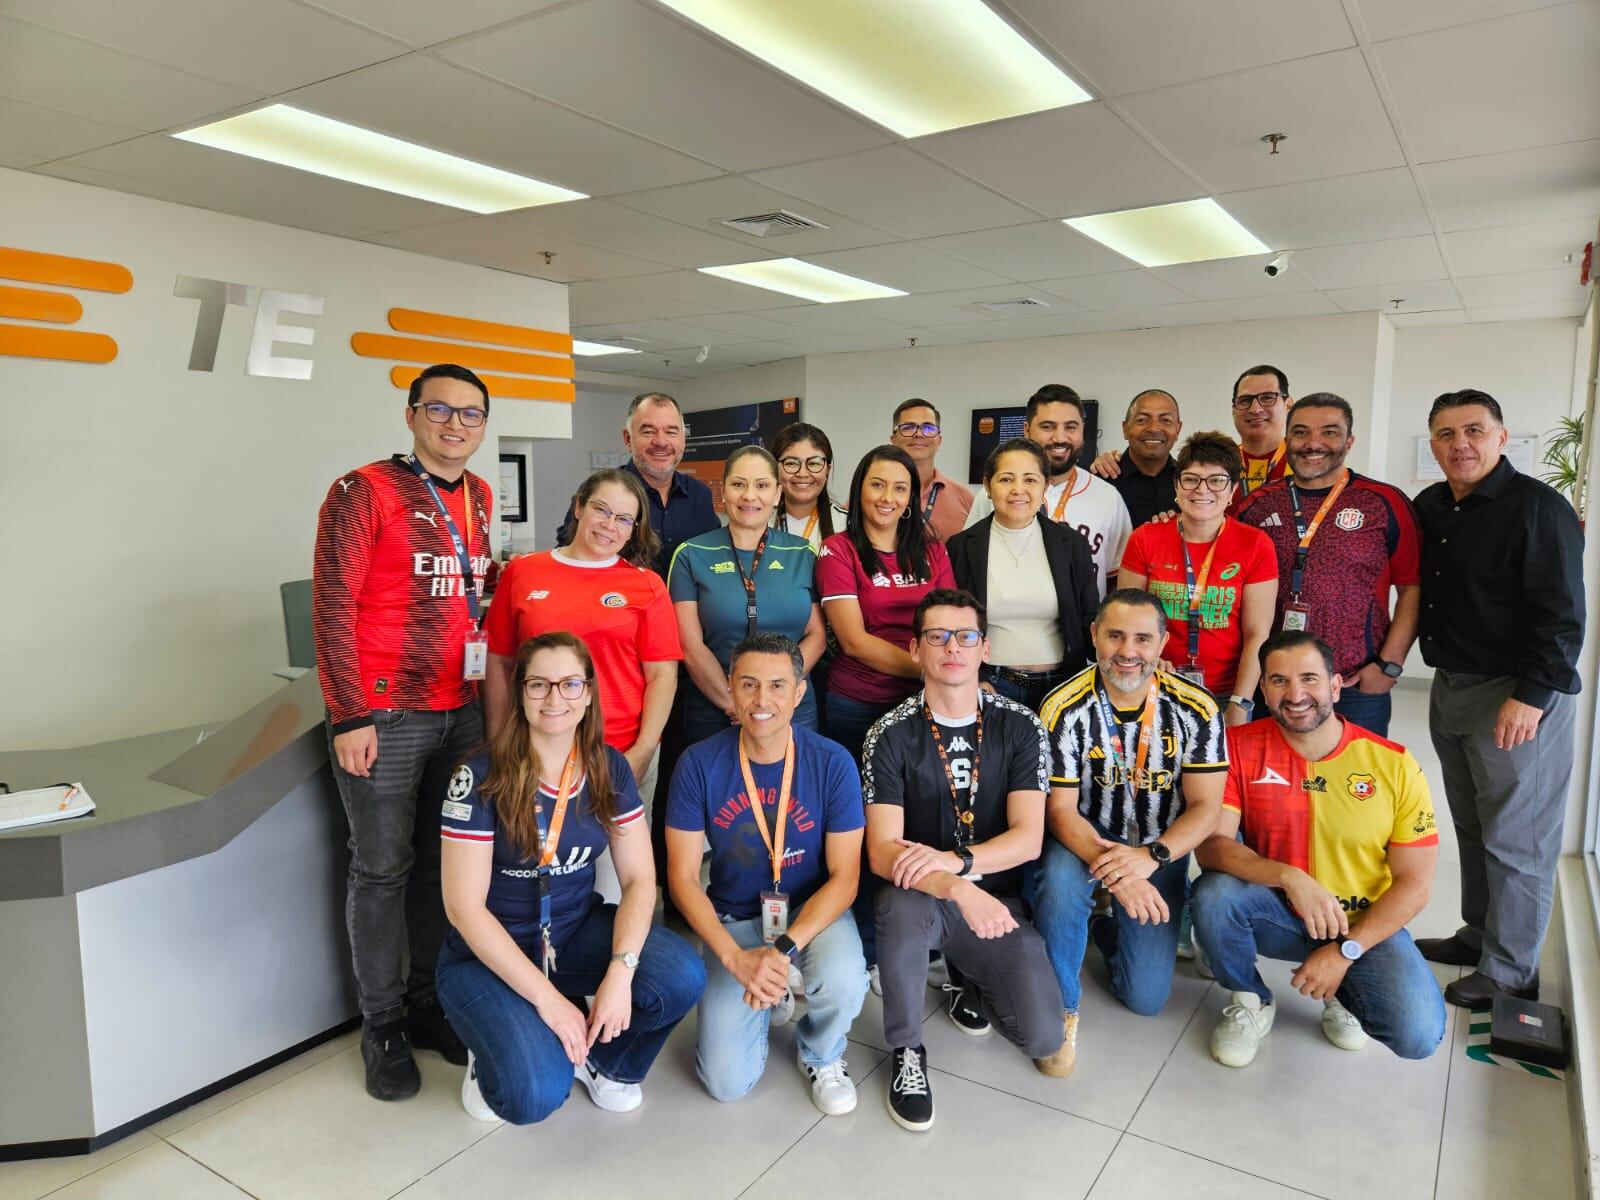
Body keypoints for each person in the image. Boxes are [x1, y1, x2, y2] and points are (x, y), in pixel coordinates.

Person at [313, 362, 493, 1099]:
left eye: (471, 414)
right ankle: (381, 1023)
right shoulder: (363, 490)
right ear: (413, 415)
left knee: (435, 866)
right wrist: (350, 715)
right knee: (381, 868)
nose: (456, 425)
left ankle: (424, 1003)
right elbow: (333, 604)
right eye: (441, 411)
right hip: (386, 715)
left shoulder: (479, 495)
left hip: (463, 708)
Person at [438, 633, 704, 1122]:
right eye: (538, 685)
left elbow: (642, 880)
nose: (554, 698)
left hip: (573, 932)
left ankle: (606, 1064)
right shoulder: (478, 776)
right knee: (533, 1097)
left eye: (569, 684)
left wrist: (621, 972)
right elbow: (464, 909)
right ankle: (489, 1055)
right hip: (487, 956)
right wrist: (552, 1004)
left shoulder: (609, 768)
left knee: (680, 976)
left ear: (588, 693)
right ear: (520, 692)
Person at [1192, 631, 1446, 1066]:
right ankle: (1252, 998)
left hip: (1360, 922)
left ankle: (1345, 992)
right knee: (1213, 895)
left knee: (1417, 1034)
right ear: (1264, 689)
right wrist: (1290, 878)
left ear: (1335, 685)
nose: (1295, 694)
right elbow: (1212, 847)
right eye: (1278, 681)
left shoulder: (1393, 763)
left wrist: (1349, 950)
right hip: (1278, 911)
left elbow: (1416, 884)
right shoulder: (1237, 747)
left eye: (1309, 679)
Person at [864, 589, 1065, 1131]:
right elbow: (884, 852)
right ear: (915, 650)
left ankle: (964, 978)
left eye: (965, 636)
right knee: (899, 907)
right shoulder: (889, 734)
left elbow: (1027, 838)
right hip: (922, 896)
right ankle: (907, 1051)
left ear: (985, 647)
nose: (952, 647)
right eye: (937, 636)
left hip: (993, 903)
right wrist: (956, 886)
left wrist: (959, 867)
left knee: (1043, 1038)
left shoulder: (1021, 726)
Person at [1412, 389, 1586, 1008]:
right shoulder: (1430, 506)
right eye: (1446, 434)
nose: (1461, 444)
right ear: (1432, 444)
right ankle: (1479, 935)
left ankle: (1512, 971)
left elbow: (1563, 617)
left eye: (1474, 430)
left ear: (1502, 437)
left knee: (1520, 837)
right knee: (1472, 825)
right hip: (1452, 684)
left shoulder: (1540, 510)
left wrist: (1530, 698)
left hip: (1515, 695)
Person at [666, 633, 868, 1115]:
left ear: (799, 693)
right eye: (749, 684)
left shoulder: (832, 762)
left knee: (844, 979)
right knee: (725, 1083)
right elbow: (682, 878)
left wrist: (780, 953)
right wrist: (736, 960)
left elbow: (845, 878)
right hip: (734, 917)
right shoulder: (698, 764)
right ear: (730, 689)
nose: (762, 701)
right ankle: (769, 991)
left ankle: (822, 1052)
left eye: (778, 686)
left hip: (809, 913)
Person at [1032, 590, 1226, 1070]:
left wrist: (1151, 858)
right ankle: (1061, 1010)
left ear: (1162, 643)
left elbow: (1206, 807)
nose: (1128, 650)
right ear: (1095, 636)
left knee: (1146, 998)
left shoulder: (1197, 709)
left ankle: (1104, 926)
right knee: (1058, 884)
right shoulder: (1062, 706)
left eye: (1142, 638)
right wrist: (1119, 873)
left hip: (1160, 845)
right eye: (1115, 635)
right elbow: (1059, 812)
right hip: (1083, 839)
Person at [484, 469, 681, 811]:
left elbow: (662, 675)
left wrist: (644, 749)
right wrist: (499, 738)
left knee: (620, 862)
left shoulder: (647, 585)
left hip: (619, 751)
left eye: (623, 518)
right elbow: (498, 660)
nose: (609, 525)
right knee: (537, 856)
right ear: (578, 507)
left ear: (634, 529)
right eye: (601, 509)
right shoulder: (523, 572)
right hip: (534, 748)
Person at [1235, 393, 1420, 736]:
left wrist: (1388, 665)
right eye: (1301, 432)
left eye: (1330, 432)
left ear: (1349, 441)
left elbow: (1412, 589)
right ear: (1287, 439)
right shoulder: (1255, 506)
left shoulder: (1384, 502)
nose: (1314, 443)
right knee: (1270, 784)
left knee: (1354, 784)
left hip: (1353, 682)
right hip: (1270, 681)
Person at [669, 446, 827, 742]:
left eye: (762, 485)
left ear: (777, 494)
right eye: (739, 484)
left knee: (795, 785)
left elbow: (817, 634)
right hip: (714, 704)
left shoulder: (803, 554)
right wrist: (736, 703)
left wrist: (780, 692)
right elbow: (688, 642)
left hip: (792, 706)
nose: (749, 495)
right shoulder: (691, 554)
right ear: (723, 490)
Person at [1118, 432, 1278, 723]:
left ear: (1232, 491)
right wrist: (1149, 660)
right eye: (1191, 479)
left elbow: (1257, 634)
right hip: (1156, 686)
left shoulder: (1256, 544)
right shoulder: (1145, 538)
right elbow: (1125, 620)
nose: (1202, 490)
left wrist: (1240, 704)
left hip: (1225, 693)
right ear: (1177, 488)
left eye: (1217, 480)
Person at [816, 445, 957, 763]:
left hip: (925, 702)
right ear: (860, 489)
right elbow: (853, 641)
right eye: (877, 484)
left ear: (910, 498)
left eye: (900, 488)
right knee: (861, 805)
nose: (887, 497)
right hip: (858, 703)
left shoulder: (933, 552)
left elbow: (951, 623)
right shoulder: (838, 551)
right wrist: (931, 670)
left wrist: (941, 675)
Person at [947, 438, 1098, 711]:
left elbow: (1089, 619)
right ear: (988, 487)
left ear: (1045, 486)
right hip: (992, 685)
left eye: (1030, 480)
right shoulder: (961, 546)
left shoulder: (1072, 545)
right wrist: (975, 679)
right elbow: (952, 623)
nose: (1018, 490)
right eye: (1006, 479)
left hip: (1062, 688)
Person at [965, 384, 1133, 596]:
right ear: (1027, 430)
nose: (1060, 438)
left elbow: (1115, 581)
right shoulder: (995, 495)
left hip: (1081, 626)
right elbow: (968, 563)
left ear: (1082, 430)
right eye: (1048, 426)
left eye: (1071, 427)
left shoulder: (1108, 497)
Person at [557, 392, 718, 577]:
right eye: (648, 431)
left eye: (671, 432)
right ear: (628, 439)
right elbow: (569, 560)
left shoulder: (700, 495)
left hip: (687, 606)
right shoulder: (601, 492)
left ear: (683, 439)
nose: (661, 442)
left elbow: (713, 558)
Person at [1089, 389, 1183, 528]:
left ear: (1178, 430)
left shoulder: (1190, 483)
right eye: (1142, 420)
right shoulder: (1098, 482)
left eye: (1165, 420)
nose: (1154, 428)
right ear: (1125, 429)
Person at [889, 398, 973, 541]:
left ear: (939, 440)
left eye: (928, 428)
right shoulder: (872, 495)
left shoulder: (966, 499)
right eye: (908, 427)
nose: (919, 434)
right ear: (893, 440)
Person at [771, 421, 849, 550]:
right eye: (791, 463)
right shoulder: (759, 521)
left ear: (827, 470)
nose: (802, 473)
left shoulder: (847, 525)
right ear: (774, 468)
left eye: (814, 463)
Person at [1228, 364, 1293, 514]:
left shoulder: (1306, 464)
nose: (1255, 409)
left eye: (1267, 398)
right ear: (1233, 409)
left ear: (1288, 403)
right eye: (1245, 400)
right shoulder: (1218, 465)